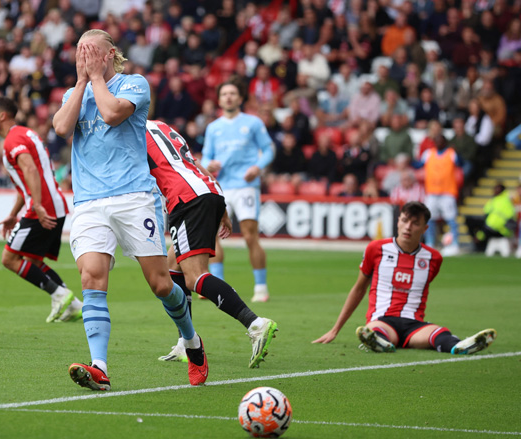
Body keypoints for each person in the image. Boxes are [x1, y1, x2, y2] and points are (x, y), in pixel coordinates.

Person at [52, 29, 207, 391]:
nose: (84, 57)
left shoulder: (134, 84)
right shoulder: (73, 92)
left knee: (160, 284)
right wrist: (80, 84)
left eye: (90, 52)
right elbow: (61, 127)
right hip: (89, 201)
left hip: (134, 197)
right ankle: (99, 367)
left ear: (110, 55)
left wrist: (93, 80)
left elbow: (110, 114)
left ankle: (192, 341)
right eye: (79, 52)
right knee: (91, 277)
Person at [145, 120, 278, 368]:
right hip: (207, 190)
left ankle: (255, 324)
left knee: (194, 277)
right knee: (174, 266)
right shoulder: (162, 127)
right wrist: (222, 206)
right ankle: (186, 342)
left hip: (185, 198)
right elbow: (195, 164)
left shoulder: (129, 129)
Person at [313, 202, 497, 355]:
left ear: (425, 228)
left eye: (415, 223)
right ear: (398, 221)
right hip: (383, 319)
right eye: (405, 220)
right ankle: (379, 342)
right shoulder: (376, 249)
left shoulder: (434, 258)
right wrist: (335, 329)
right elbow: (359, 288)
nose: (408, 227)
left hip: (414, 325)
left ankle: (460, 346)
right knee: (375, 331)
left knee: (440, 333)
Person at [0, 97, 82, 324]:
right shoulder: (26, 133)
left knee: (9, 258)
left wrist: (36, 205)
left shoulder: (12, 141)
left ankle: (61, 295)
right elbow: (27, 178)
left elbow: (29, 169)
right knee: (33, 261)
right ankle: (74, 305)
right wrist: (13, 212)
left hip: (42, 208)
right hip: (52, 205)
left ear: (2, 116)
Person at [201, 79, 275, 303]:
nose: (229, 97)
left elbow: (269, 149)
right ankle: (219, 287)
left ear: (240, 98)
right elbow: (206, 156)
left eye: (233, 93)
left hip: (245, 186)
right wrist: (209, 164)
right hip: (221, 186)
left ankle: (261, 288)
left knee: (250, 235)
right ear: (220, 99)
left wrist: (258, 167)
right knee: (213, 236)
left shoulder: (252, 123)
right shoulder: (213, 127)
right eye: (224, 94)